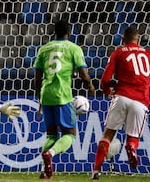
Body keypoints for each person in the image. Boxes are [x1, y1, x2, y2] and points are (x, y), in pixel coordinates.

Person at [91, 27, 150, 179]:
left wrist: (107, 91)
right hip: (140, 101)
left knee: (108, 135)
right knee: (133, 137)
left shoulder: (118, 52)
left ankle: (95, 171)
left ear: (123, 39)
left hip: (122, 96)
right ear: (138, 39)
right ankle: (131, 148)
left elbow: (105, 79)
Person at [33, 20, 95, 179]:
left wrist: (40, 98)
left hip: (46, 95)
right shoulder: (74, 48)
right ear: (69, 32)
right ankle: (51, 153)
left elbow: (37, 77)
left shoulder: (44, 48)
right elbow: (83, 73)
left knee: (51, 135)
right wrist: (90, 86)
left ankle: (42, 170)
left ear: (54, 32)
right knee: (70, 134)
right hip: (62, 96)